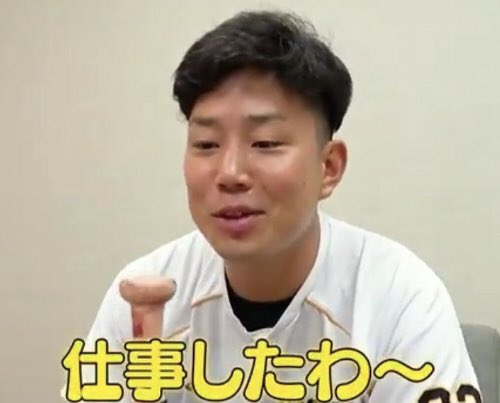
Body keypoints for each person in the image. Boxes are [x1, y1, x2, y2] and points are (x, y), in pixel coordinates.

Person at [63, 10, 482, 403]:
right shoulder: (140, 299)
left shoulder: (398, 298)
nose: (229, 173)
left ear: (329, 167)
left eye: (265, 143)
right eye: (206, 144)